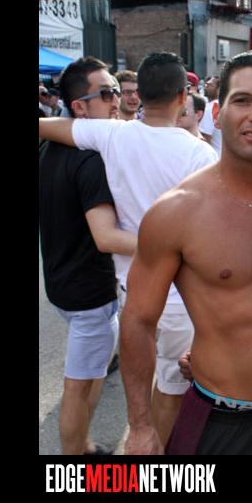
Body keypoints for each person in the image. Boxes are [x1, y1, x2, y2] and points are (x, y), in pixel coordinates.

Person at [122, 50, 252, 455]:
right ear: (216, 114)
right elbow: (138, 320)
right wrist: (141, 426)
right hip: (221, 418)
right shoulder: (175, 212)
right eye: (242, 100)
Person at [39, 52, 218, 447]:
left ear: (140, 96)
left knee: (139, 393)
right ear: (182, 97)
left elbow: (48, 126)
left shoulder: (112, 135)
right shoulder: (200, 156)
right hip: (179, 298)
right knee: (170, 390)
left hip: (132, 292)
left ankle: (139, 441)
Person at [39, 56, 136, 455]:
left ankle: (85, 447)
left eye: (117, 92)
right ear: (79, 107)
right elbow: (106, 237)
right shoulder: (90, 158)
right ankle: (74, 462)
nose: (117, 101)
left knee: (92, 375)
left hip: (63, 285)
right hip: (88, 295)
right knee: (78, 388)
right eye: (107, 93)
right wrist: (171, 241)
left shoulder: (50, 146)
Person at [199, 76, 222, 155]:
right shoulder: (224, 105)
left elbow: (205, 138)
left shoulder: (210, 108)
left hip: (214, 157)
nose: (206, 87)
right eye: (206, 85)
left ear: (218, 89)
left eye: (210, 85)